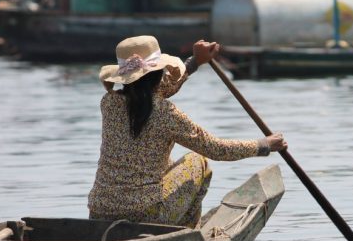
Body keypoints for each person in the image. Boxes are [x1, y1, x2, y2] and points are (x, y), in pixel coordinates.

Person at [88, 35, 287, 229]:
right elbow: (216, 149)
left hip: (100, 210)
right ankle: (187, 235)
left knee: (168, 164)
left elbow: (151, 93)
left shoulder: (108, 103)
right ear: (159, 73)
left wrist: (194, 62)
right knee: (197, 162)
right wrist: (264, 145)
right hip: (147, 214)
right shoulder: (166, 114)